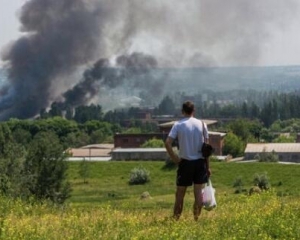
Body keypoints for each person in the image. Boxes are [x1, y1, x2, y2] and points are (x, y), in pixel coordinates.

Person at [165, 100, 210, 221]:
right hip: (200, 163)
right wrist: (208, 166)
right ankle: (196, 219)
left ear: (182, 111)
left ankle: (175, 219)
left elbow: (168, 143)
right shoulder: (202, 124)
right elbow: (207, 149)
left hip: (185, 163)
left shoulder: (178, 125)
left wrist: (175, 158)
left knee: (180, 194)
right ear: (193, 111)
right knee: (198, 194)